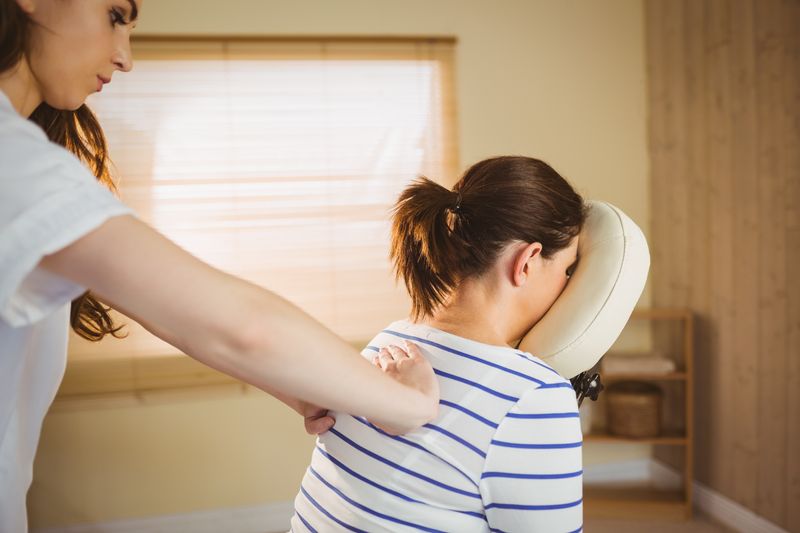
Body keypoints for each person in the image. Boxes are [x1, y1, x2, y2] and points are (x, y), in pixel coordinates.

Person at [0, 1, 439, 530]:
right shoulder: (15, 162)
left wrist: (299, 384)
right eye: (115, 15)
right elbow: (239, 327)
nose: (124, 58)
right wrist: (408, 405)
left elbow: (162, 307)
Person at [291, 155, 587, 532]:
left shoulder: (390, 341)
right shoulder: (535, 395)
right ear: (527, 261)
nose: (567, 285)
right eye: (566, 269)